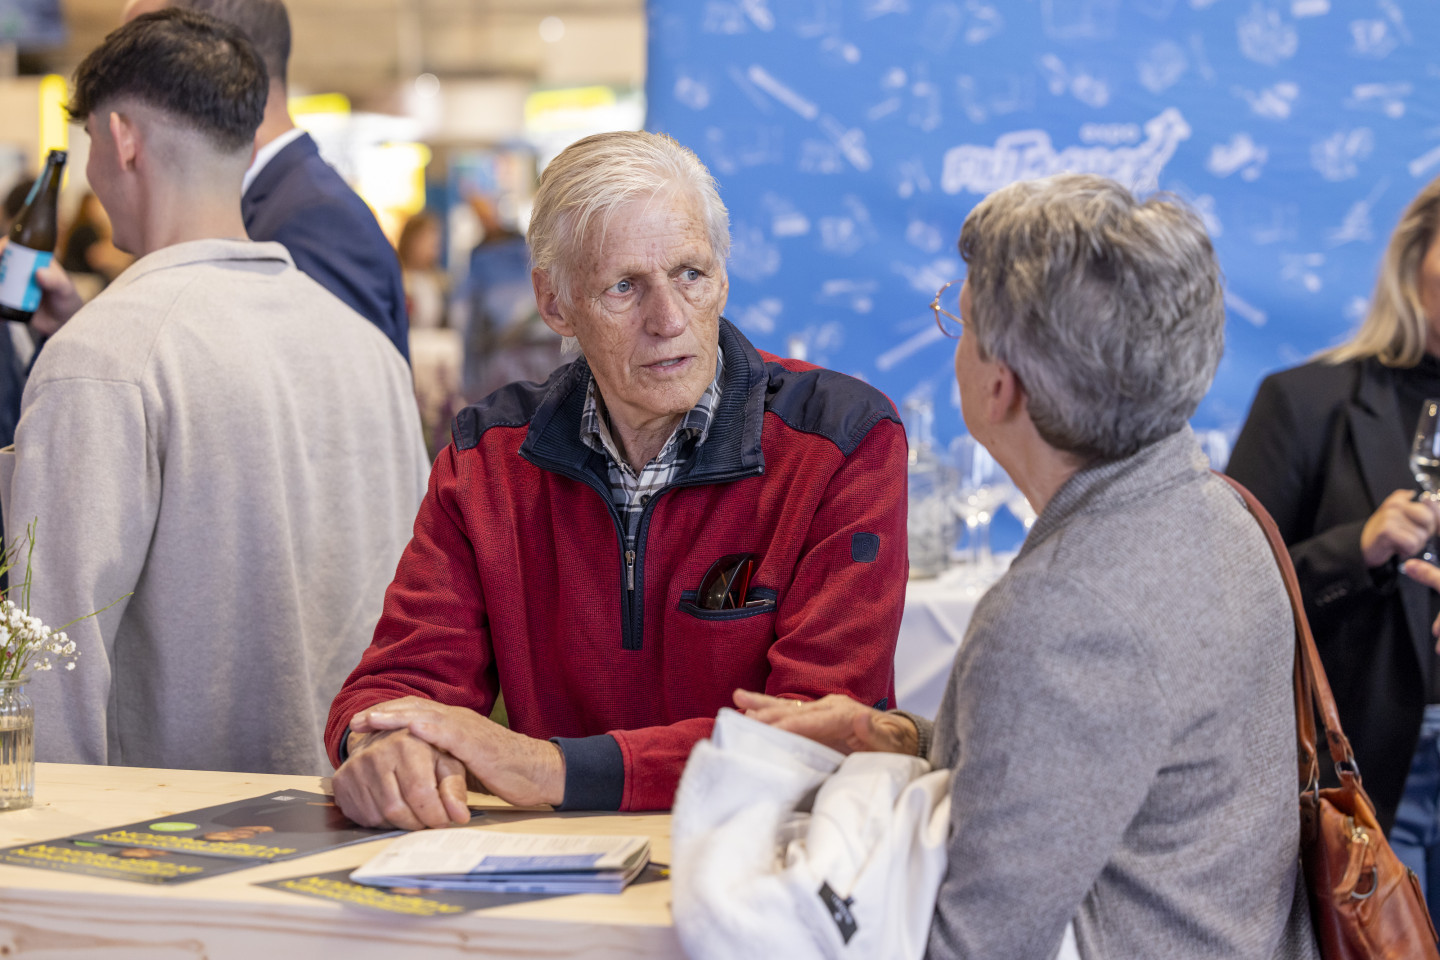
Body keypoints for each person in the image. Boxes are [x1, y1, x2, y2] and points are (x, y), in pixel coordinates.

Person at [738, 174, 1317, 959]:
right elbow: (1100, 766)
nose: (955, 341)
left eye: (962, 322)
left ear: (1000, 386)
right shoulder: (1217, 508)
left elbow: (977, 945)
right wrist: (897, 736)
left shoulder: (1062, 610)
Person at [325, 130, 908, 827]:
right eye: (624, 287)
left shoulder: (841, 440)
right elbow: (399, 680)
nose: (668, 320)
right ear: (554, 304)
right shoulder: (488, 458)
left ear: (723, 278)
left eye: (690, 274)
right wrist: (386, 745)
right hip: (549, 868)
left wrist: (550, 768)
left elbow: (823, 734)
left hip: (764, 865)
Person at [5, 9, 429, 775]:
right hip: (359, 810)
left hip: (165, 833)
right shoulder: (368, 352)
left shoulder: (102, 359)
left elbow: (49, 662)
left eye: (90, 140)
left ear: (122, 139)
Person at [1228, 174, 1440, 911]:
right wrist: (1358, 550)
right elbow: (1226, 599)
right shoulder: (1305, 402)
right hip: (1360, 777)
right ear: (1414, 258)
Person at [121, 0, 410, 361]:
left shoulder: (316, 219)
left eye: (144, 63)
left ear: (214, 56)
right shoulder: (286, 200)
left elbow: (339, 387)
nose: (120, 93)